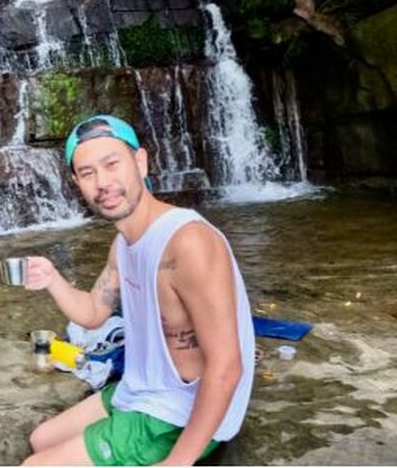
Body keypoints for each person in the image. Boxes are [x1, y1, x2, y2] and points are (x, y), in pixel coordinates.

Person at [23, 114, 254, 466]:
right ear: (77, 183)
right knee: (40, 440)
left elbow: (226, 368)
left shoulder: (188, 242)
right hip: (142, 389)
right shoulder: (122, 246)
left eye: (112, 164)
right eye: (88, 173)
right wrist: (52, 279)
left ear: (140, 162)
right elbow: (93, 313)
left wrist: (176, 463)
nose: (103, 182)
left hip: (176, 415)